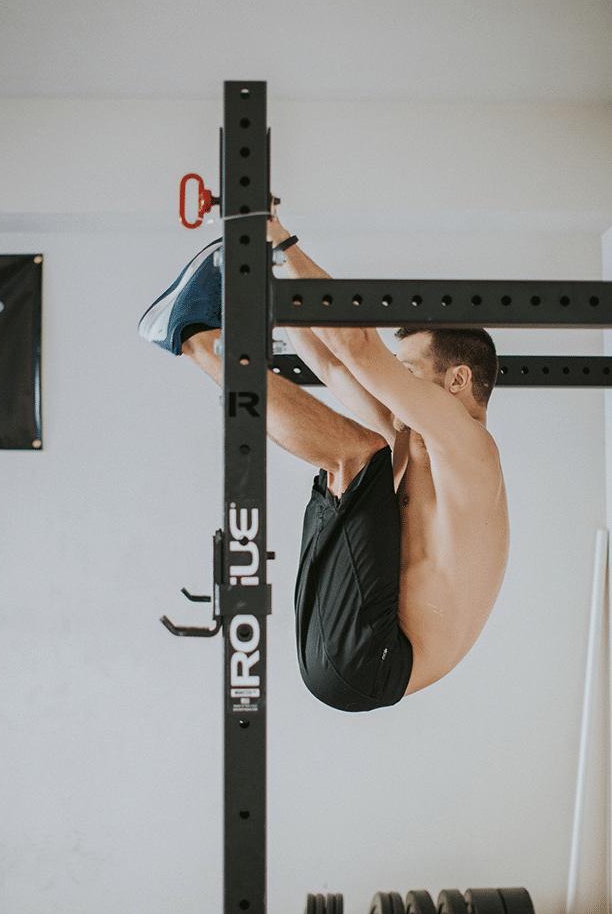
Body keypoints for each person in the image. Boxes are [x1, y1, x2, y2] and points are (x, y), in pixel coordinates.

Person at [139, 218, 509, 712]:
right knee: (360, 453)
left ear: (458, 380)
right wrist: (269, 280)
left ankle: (198, 340)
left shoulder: (472, 451)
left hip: (373, 661)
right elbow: (335, 364)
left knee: (358, 454)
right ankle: (201, 340)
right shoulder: (413, 439)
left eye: (409, 372)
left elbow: (358, 347)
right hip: (348, 647)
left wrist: (277, 238)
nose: (396, 383)